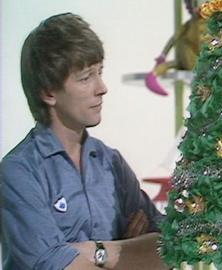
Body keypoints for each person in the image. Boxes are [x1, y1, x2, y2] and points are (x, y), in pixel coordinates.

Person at [0, 13, 168, 269]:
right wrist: (129, 253)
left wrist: (97, 251)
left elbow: (166, 250)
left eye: (100, 72)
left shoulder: (111, 163)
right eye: (86, 77)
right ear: (48, 92)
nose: (102, 87)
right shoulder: (19, 171)